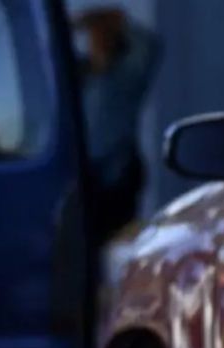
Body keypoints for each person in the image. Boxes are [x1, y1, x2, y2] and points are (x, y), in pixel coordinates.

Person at [74, 6, 162, 242]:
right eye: (94, 37)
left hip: (117, 178)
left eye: (103, 37)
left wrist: (115, 20)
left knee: (117, 242)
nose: (97, 43)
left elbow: (149, 47)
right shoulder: (81, 78)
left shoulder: (126, 75)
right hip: (84, 179)